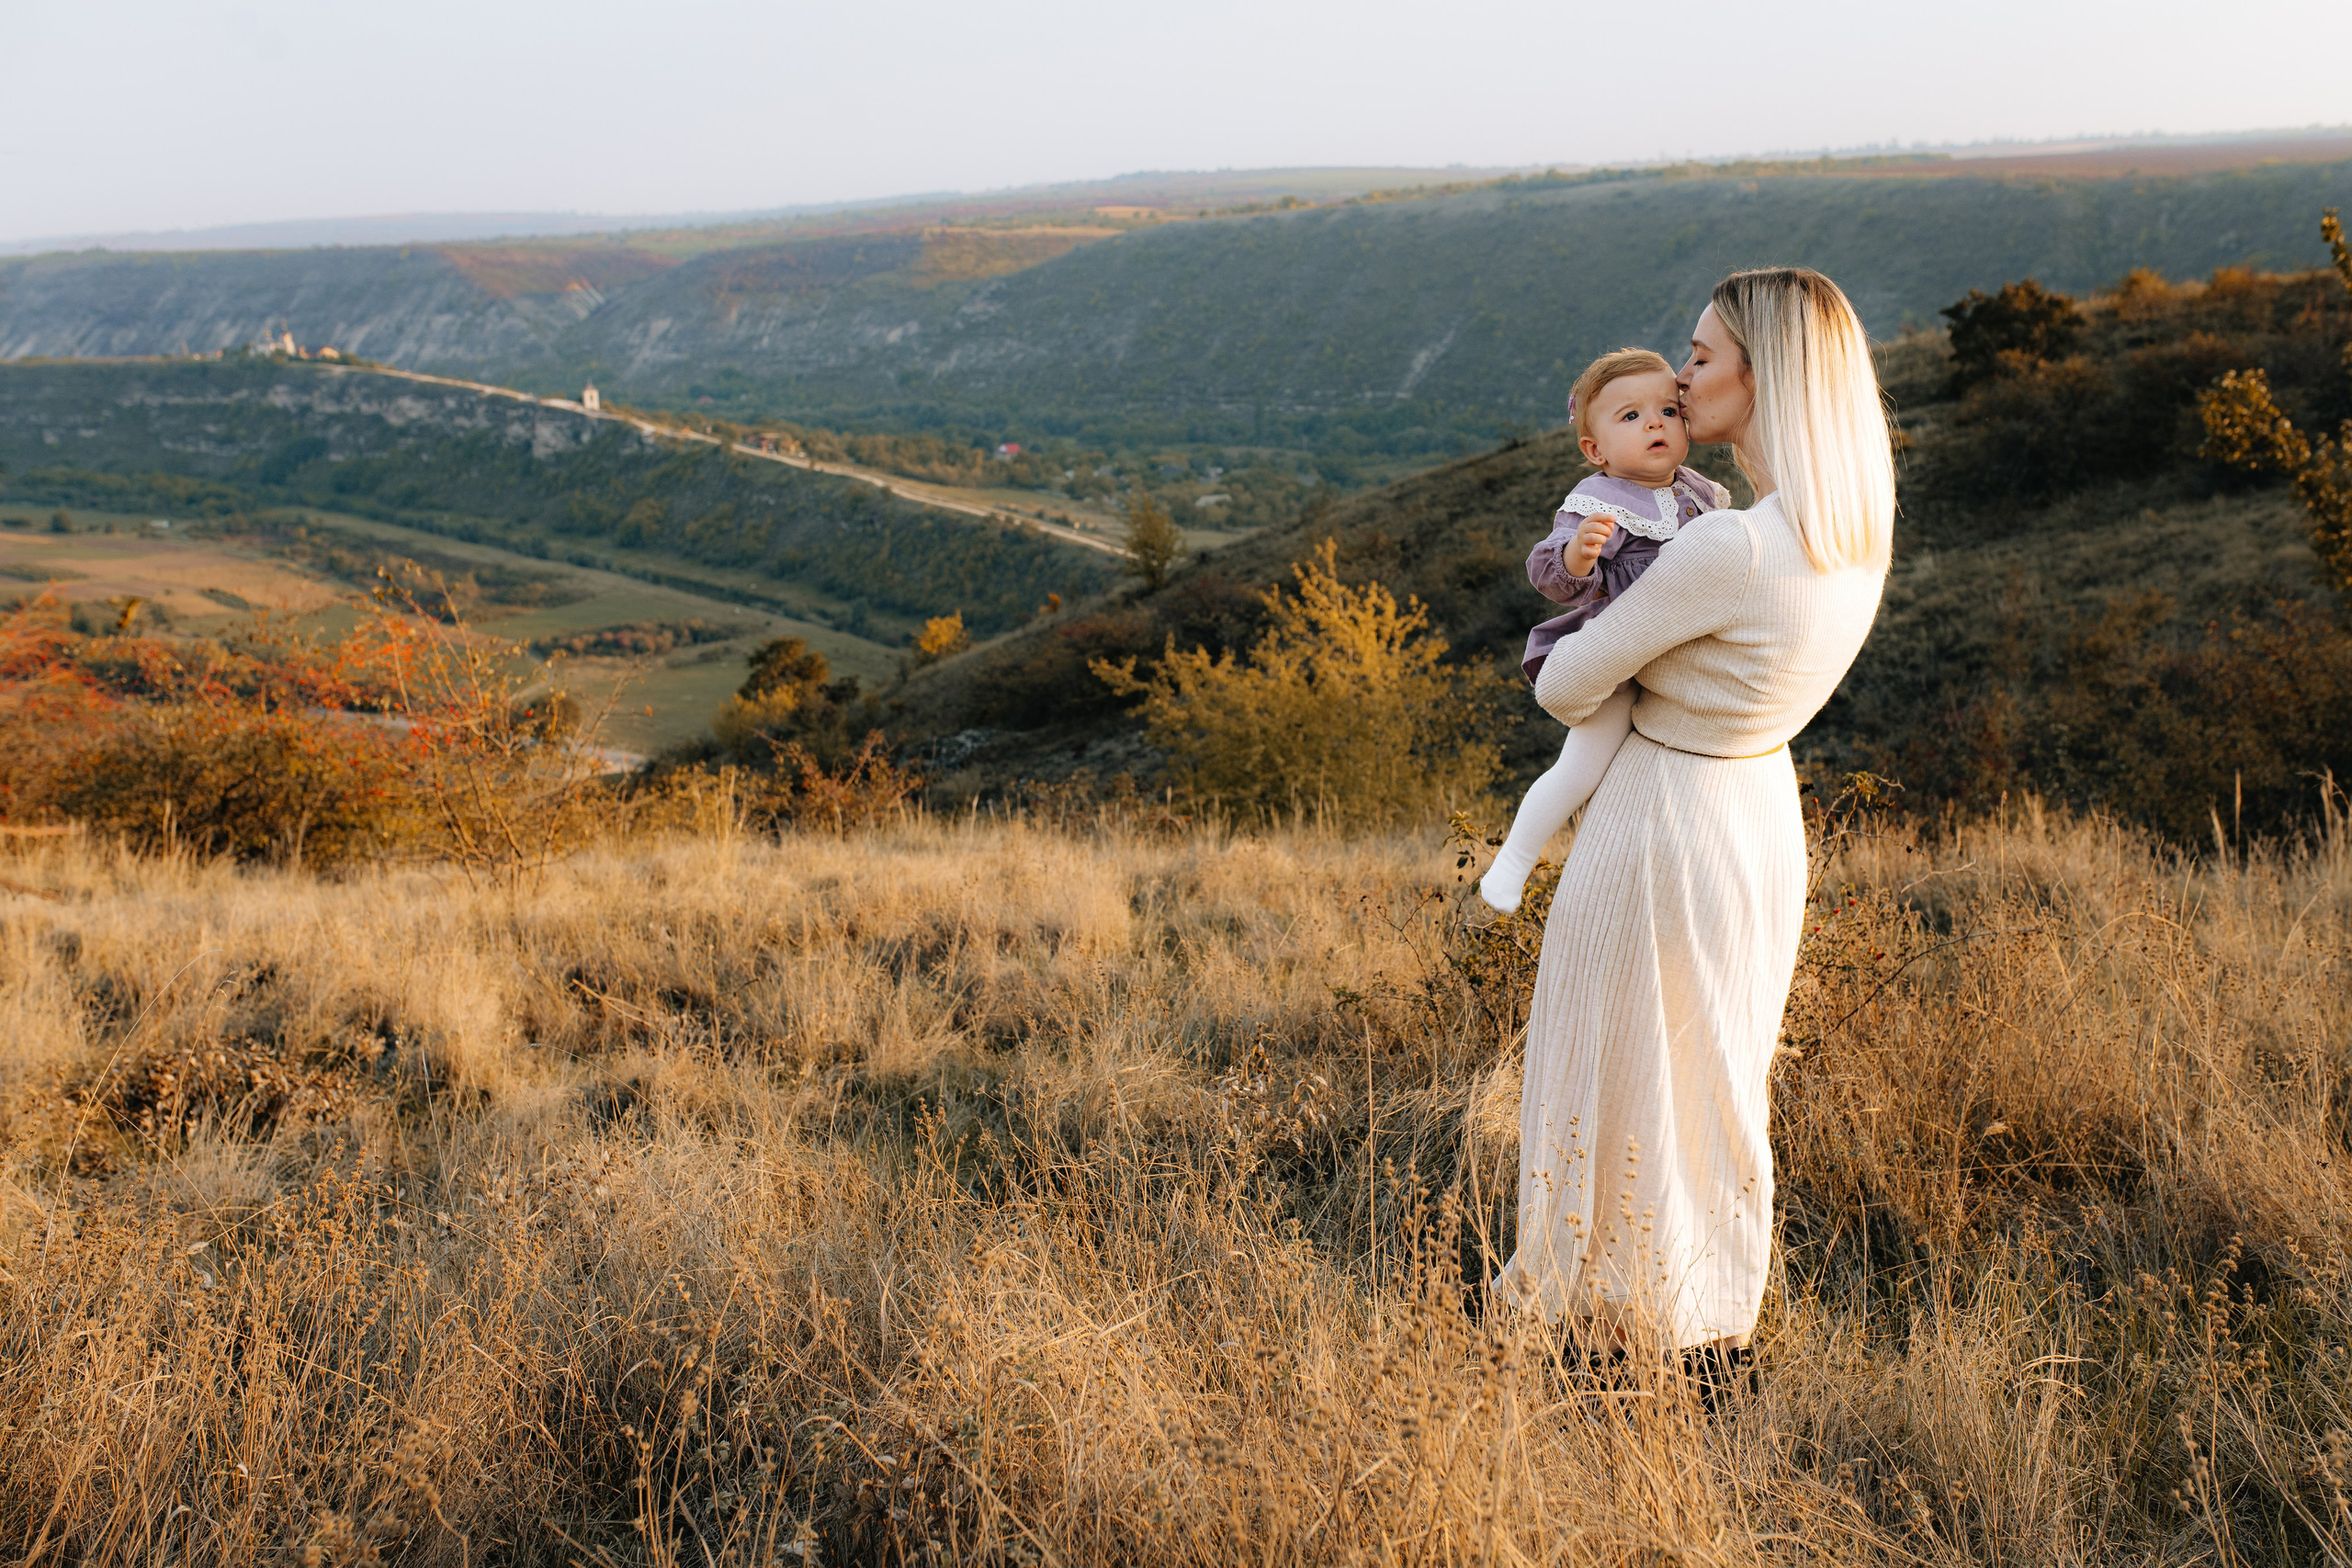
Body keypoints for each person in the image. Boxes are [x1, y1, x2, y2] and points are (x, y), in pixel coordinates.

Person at [1489, 268, 1894, 1383]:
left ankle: (1598, 1330)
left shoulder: (1728, 546)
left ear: (1764, 377)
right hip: (1759, 810)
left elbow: (1568, 684)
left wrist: (1617, 652)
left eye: (1703, 357)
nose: (1678, 374)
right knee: (1713, 1075)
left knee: (1611, 1073)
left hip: (1666, 817)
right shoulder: (1848, 526)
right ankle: (1705, 1314)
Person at [1478, 348, 1730, 913]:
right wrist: (1577, 554)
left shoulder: (1696, 491)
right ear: (1595, 449)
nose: (1655, 424)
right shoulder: (1602, 502)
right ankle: (1514, 861)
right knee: (1583, 766)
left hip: (1683, 653)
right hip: (1620, 655)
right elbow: (1550, 574)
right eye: (1631, 417)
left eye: (1667, 409)